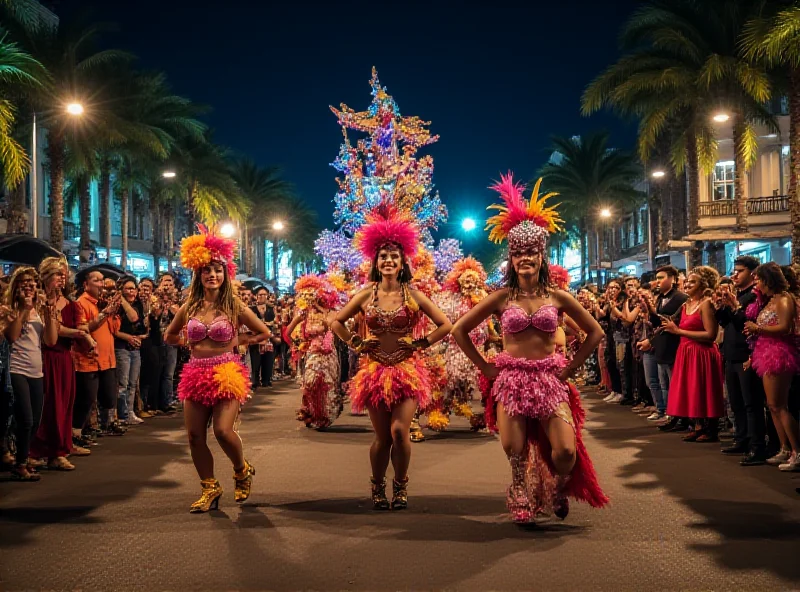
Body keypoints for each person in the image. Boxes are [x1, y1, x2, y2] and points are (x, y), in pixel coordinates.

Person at [452, 174, 607, 523]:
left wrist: (571, 367)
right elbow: (460, 330)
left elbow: (595, 332)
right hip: (511, 381)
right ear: (512, 258)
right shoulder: (500, 299)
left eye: (531, 253)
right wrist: (486, 367)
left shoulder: (558, 297)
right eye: (519, 253)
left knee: (565, 451)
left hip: (551, 381)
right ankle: (519, 487)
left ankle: (558, 484)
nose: (525, 259)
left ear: (542, 257)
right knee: (515, 450)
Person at [331, 204, 451, 511]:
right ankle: (377, 486)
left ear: (402, 262)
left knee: (400, 431)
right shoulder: (364, 295)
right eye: (383, 256)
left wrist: (419, 343)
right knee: (382, 437)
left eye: (394, 256)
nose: (388, 260)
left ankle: (401, 485)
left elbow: (446, 325)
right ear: (376, 261)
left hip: (406, 370)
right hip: (373, 372)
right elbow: (335, 322)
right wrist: (357, 341)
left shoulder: (413, 295)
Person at [165, 225, 271, 513]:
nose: (213, 275)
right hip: (196, 372)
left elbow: (264, 332)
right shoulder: (189, 306)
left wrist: (241, 340)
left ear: (226, 275)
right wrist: (185, 339)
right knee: (194, 436)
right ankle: (210, 487)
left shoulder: (234, 305)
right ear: (198, 275)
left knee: (223, 431)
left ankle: (241, 469)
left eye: (218, 270)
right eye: (207, 270)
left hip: (227, 372)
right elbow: (169, 336)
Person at [29, 258, 92, 469]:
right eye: (58, 274)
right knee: (43, 406)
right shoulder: (35, 301)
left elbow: (82, 328)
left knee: (62, 405)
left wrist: (80, 332)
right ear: (46, 276)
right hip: (41, 356)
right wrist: (77, 332)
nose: (62, 278)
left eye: (64, 275)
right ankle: (35, 451)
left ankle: (58, 451)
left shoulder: (71, 305)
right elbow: (55, 330)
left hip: (63, 358)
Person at [1, 267, 59, 480]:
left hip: (37, 370)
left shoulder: (40, 309)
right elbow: (12, 337)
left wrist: (49, 314)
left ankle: (19, 453)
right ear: (16, 286)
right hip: (17, 368)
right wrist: (24, 311)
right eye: (24, 282)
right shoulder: (9, 309)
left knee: (34, 420)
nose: (29, 286)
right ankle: (20, 463)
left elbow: (51, 340)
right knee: (25, 418)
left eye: (32, 282)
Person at [744, 262, 800, 471]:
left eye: (758, 279)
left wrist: (758, 328)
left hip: (779, 353)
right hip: (765, 351)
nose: (756, 283)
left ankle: (797, 451)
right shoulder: (771, 300)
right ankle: (785, 448)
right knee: (772, 405)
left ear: (768, 279)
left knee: (779, 405)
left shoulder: (785, 299)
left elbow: (785, 327)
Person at [661, 266, 724, 442]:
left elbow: (710, 335)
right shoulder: (685, 305)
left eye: (693, 281)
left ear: (704, 285)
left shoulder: (706, 304)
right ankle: (697, 426)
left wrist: (679, 331)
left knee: (704, 390)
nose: (687, 284)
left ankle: (710, 429)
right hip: (686, 351)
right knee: (691, 390)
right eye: (687, 281)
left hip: (702, 352)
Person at [714, 256, 766, 464]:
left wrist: (735, 308)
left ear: (753, 274)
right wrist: (720, 306)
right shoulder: (739, 294)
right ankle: (741, 438)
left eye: (740, 271)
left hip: (746, 354)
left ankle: (757, 446)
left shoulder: (755, 297)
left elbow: (747, 326)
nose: (734, 275)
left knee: (751, 403)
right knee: (736, 402)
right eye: (734, 271)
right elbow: (727, 323)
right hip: (731, 354)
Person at [72, 271, 124, 437]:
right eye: (97, 281)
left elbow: (115, 329)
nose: (101, 284)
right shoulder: (81, 303)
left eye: (102, 280)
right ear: (86, 285)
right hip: (89, 359)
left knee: (108, 398)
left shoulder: (103, 303)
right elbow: (86, 328)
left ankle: (103, 425)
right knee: (85, 400)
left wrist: (113, 311)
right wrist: (106, 312)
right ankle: (76, 434)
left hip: (107, 359)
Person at [287, 275, 342, 429]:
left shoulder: (330, 312)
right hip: (312, 353)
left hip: (328, 353)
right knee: (311, 383)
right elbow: (288, 331)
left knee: (326, 385)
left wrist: (320, 309)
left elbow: (333, 325)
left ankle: (324, 416)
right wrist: (296, 344)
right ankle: (310, 411)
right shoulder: (304, 314)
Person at [638, 265, 688, 426]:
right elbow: (657, 322)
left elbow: (671, 322)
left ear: (673, 279)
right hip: (661, 346)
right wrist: (649, 307)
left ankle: (679, 416)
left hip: (673, 346)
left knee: (675, 385)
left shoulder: (680, 298)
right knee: (664, 384)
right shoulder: (660, 298)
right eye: (657, 278)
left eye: (661, 277)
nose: (658, 281)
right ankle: (670, 414)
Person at [114, 276, 147, 425]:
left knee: (133, 383)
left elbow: (142, 325)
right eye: (128, 288)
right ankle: (122, 414)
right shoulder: (117, 306)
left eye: (133, 288)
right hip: (121, 347)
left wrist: (140, 337)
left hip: (135, 347)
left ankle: (130, 413)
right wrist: (128, 337)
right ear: (121, 290)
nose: (131, 291)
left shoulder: (140, 304)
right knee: (123, 383)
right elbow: (115, 330)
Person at [249, 287, 276, 388]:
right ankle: (255, 381)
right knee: (255, 361)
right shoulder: (251, 309)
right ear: (256, 296)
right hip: (256, 338)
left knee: (268, 360)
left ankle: (266, 380)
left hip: (268, 338)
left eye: (264, 295)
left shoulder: (271, 309)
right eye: (260, 295)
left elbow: (276, 322)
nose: (262, 297)